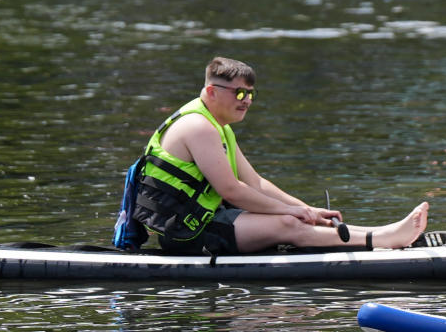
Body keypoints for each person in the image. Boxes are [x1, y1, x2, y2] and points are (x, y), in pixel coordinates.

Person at [133, 57, 429, 255]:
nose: (246, 100)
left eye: (250, 94)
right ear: (211, 91)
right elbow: (231, 190)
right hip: (186, 233)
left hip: (208, 219)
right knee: (287, 224)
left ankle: (383, 233)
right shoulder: (198, 127)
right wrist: (290, 213)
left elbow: (255, 182)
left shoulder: (217, 126)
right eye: (239, 93)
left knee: (298, 218)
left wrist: (307, 209)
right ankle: (382, 240)